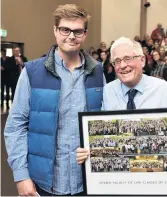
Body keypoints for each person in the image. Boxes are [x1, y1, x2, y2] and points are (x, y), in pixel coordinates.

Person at [4, 4, 104, 196]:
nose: (71, 36)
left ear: (85, 34)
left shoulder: (98, 72)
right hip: (43, 184)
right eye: (65, 29)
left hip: (86, 182)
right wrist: (21, 175)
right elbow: (15, 125)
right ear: (55, 31)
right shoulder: (32, 72)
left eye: (77, 31)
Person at [76, 37, 167, 172]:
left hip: (158, 177)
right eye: (117, 61)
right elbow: (101, 136)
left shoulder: (164, 90)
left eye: (128, 58)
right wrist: (87, 151)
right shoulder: (107, 92)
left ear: (142, 60)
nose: (122, 65)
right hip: (120, 179)